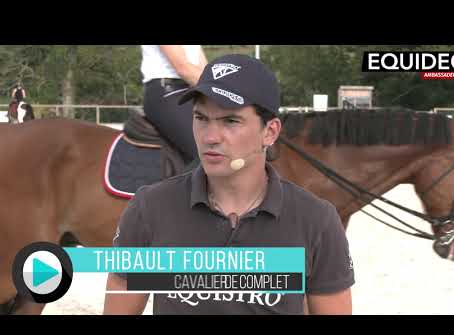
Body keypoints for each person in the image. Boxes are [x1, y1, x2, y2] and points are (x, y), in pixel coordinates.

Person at [104, 54, 355, 315]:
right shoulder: (149, 208)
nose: (210, 137)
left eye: (230, 121)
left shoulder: (317, 220)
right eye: (201, 118)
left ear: (270, 132)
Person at [140, 45, 208, 165]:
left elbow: (204, 70)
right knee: (208, 152)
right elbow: (183, 68)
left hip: (193, 89)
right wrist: (224, 91)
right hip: (167, 91)